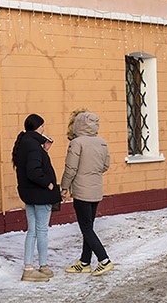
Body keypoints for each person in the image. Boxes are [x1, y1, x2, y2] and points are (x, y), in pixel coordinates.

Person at [61, 109, 113, 276]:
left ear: (78, 124)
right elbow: (105, 166)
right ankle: (85, 262)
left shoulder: (77, 143)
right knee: (88, 227)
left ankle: (104, 260)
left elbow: (71, 168)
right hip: (96, 190)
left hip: (82, 191)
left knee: (85, 228)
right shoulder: (102, 142)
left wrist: (64, 187)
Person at [11, 113, 61, 281]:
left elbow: (31, 165)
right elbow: (34, 171)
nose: (44, 129)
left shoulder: (25, 143)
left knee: (32, 230)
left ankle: (28, 267)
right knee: (42, 231)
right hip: (40, 194)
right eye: (43, 126)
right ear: (38, 127)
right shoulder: (32, 145)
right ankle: (42, 266)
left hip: (29, 194)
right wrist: (49, 184)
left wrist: (44, 151)